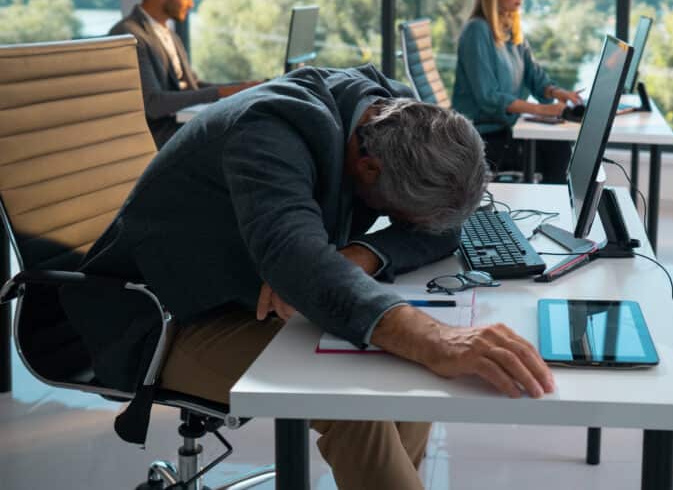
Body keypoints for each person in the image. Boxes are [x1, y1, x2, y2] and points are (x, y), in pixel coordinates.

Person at [60, 64, 555, 489]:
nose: (408, 224)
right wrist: (435, 338)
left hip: (242, 294)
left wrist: (352, 256)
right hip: (157, 315)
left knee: (404, 369)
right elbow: (295, 257)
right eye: (401, 212)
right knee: (355, 406)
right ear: (367, 165)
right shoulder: (269, 131)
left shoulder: (388, 109)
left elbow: (444, 229)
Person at [452, 0, 582, 184]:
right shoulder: (476, 31)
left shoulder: (510, 27)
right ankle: (560, 212)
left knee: (559, 147)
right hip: (483, 138)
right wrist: (542, 110)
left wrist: (556, 92)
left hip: (508, 130)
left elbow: (533, 73)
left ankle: (562, 211)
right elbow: (489, 97)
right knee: (556, 153)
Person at [109, 0, 259, 148]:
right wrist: (222, 92)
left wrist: (242, 88)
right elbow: (153, 104)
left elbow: (192, 86)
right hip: (158, 137)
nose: (191, 4)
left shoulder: (169, 34)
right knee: (244, 135)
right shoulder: (129, 34)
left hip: (181, 126)